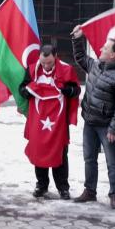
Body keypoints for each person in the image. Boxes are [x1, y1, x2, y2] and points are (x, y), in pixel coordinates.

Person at [71, 25, 115, 209]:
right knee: (89, 158)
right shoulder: (95, 65)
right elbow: (81, 57)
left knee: (112, 161)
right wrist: (77, 39)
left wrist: (114, 129)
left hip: (106, 127)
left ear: (113, 55)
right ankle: (90, 191)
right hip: (89, 121)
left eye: (105, 48)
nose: (100, 49)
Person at [19, 45, 80, 200]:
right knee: (39, 150)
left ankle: (63, 187)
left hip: (59, 121)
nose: (46, 65)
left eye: (50, 63)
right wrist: (26, 91)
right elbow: (22, 87)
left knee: (60, 153)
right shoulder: (32, 69)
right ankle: (41, 184)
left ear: (56, 56)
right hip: (38, 121)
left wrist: (68, 91)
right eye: (43, 62)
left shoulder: (66, 69)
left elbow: (76, 90)